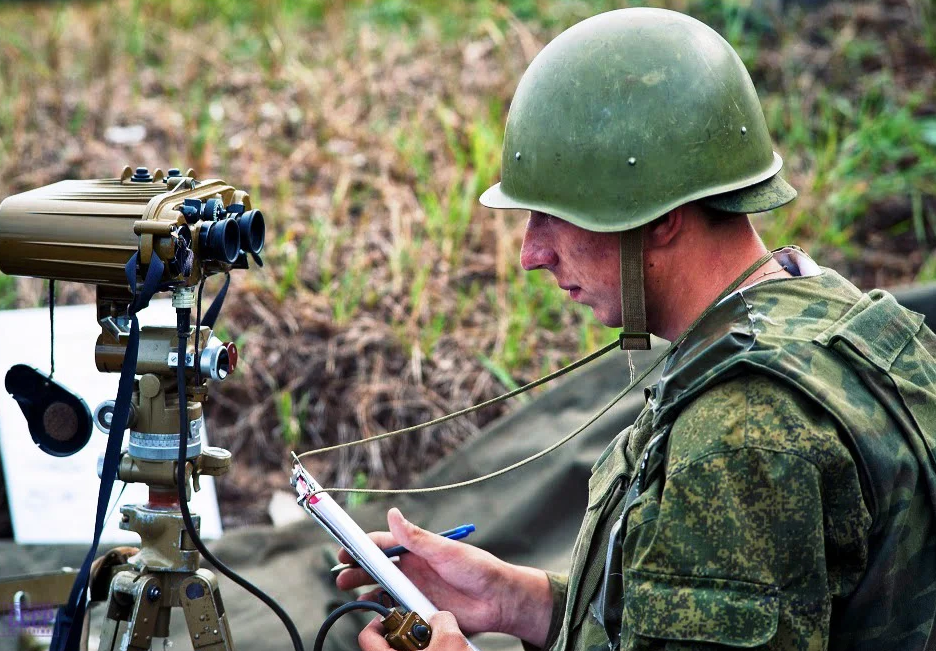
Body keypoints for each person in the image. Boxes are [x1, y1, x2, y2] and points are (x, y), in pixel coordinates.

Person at [338, 7, 936, 651]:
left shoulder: (740, 439)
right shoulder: (851, 323)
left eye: (553, 216)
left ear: (659, 219)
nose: (530, 254)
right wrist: (520, 602)